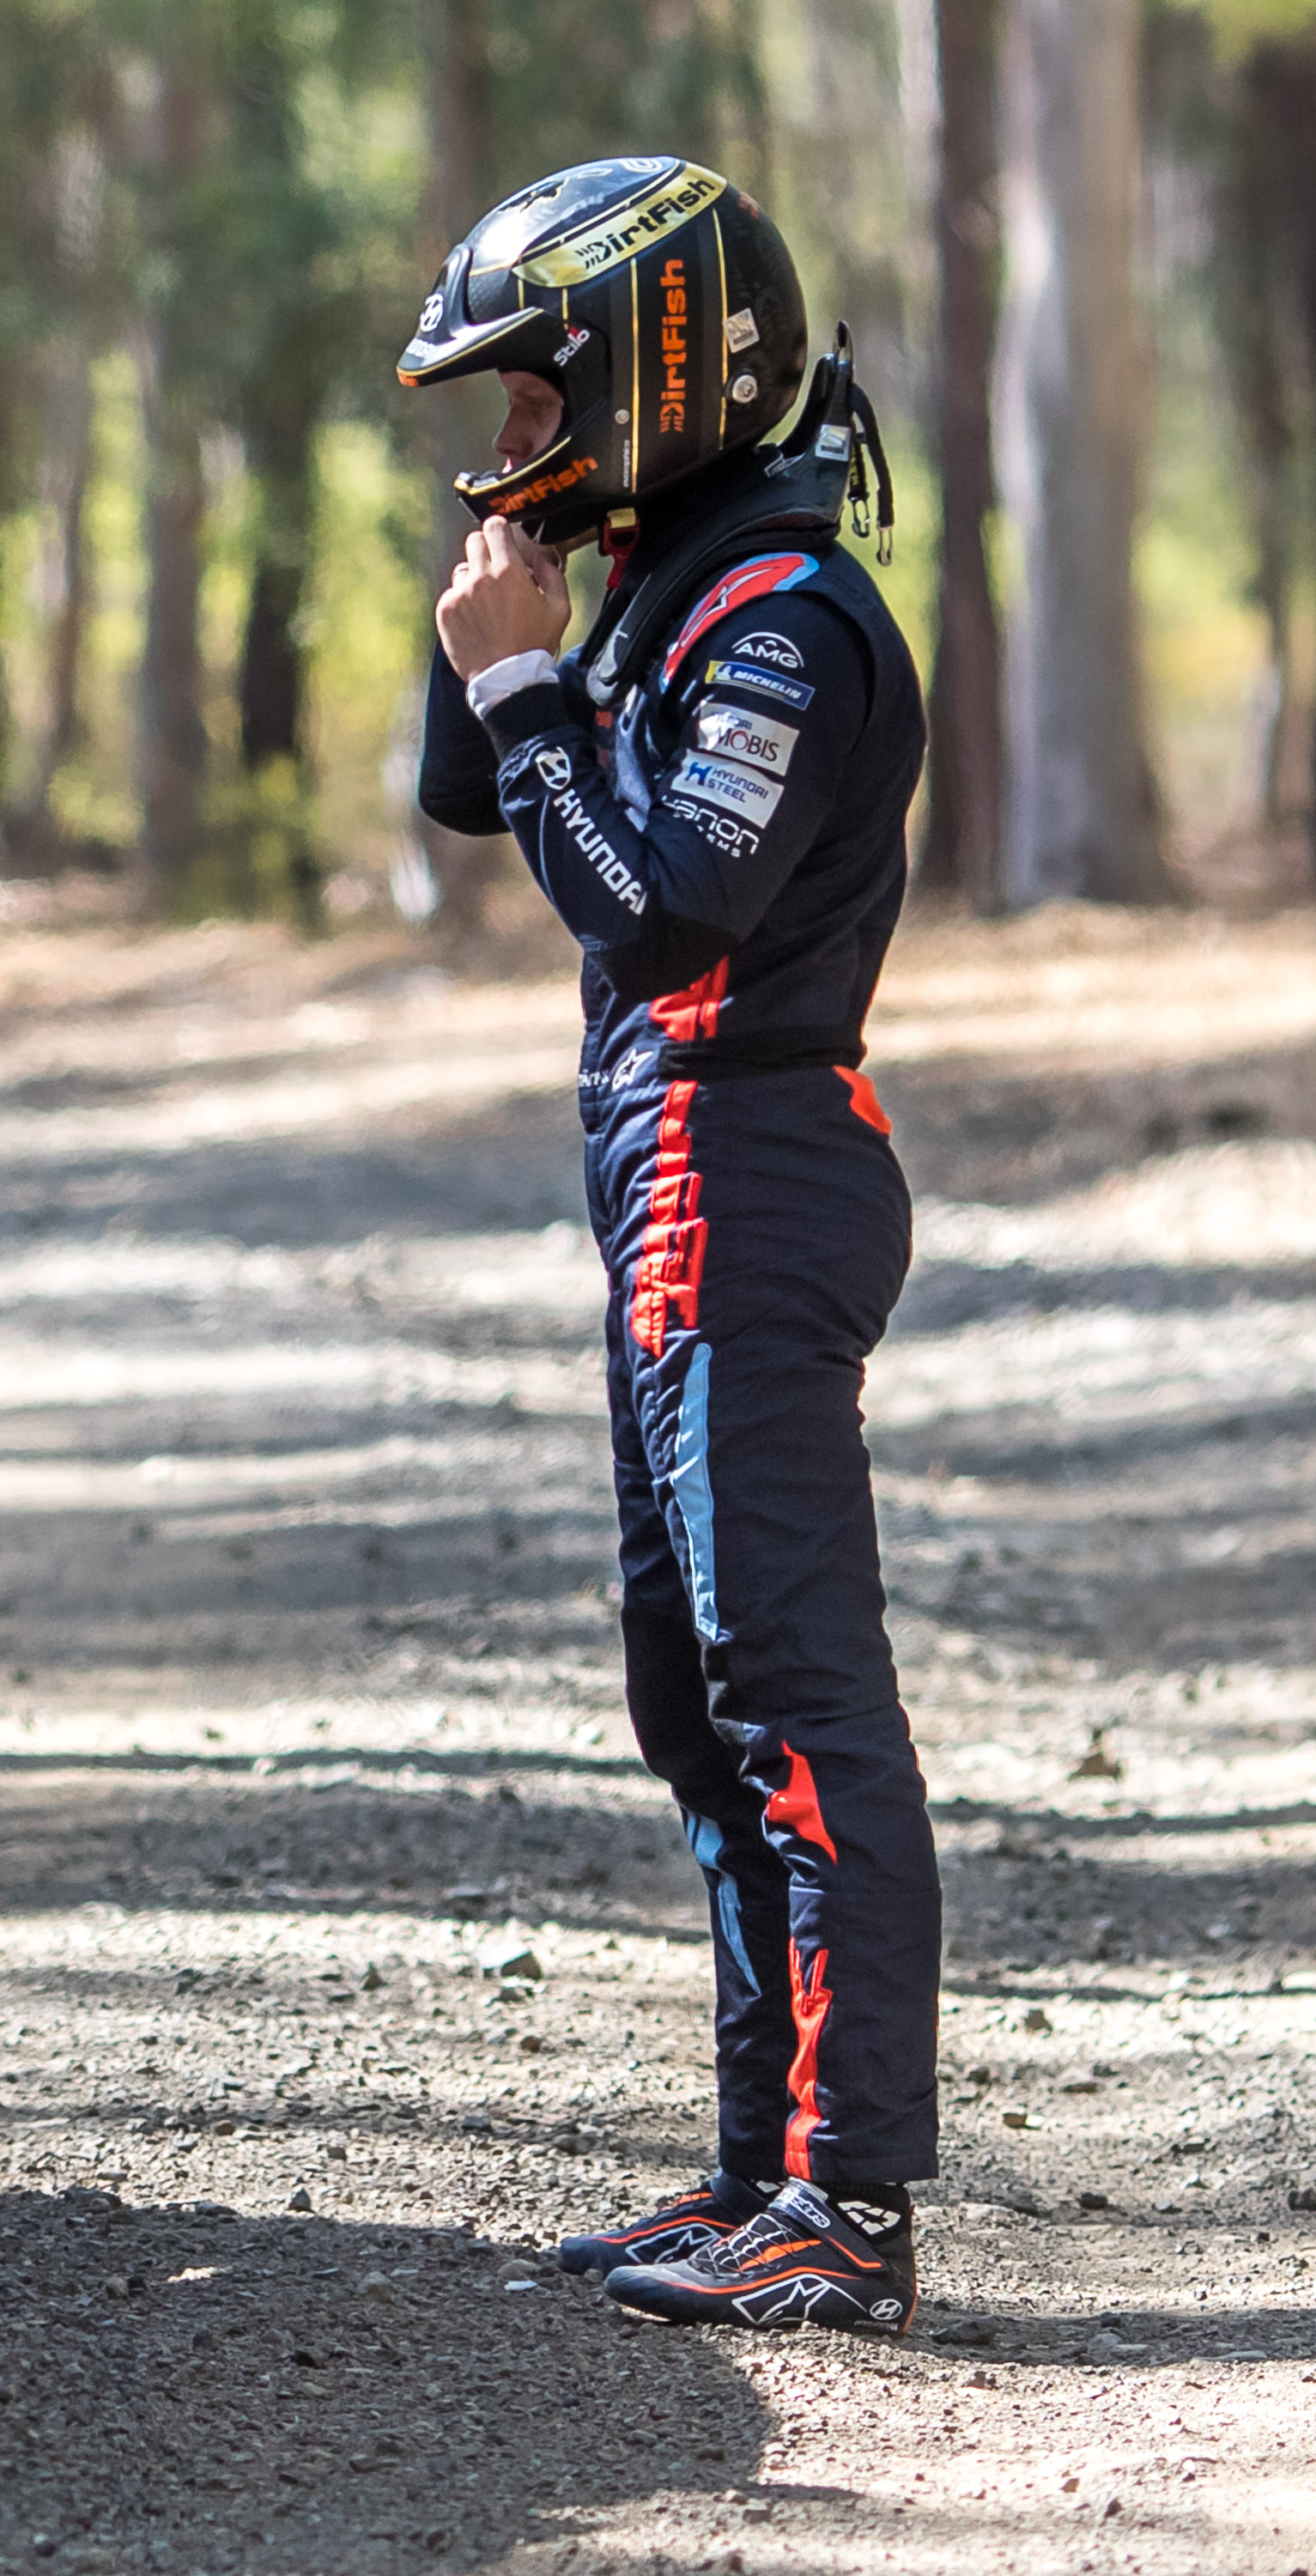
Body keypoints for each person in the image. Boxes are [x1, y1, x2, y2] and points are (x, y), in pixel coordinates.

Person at [401, 155, 937, 2335]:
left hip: (755, 1164)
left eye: (533, 400)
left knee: (795, 1703)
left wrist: (536, 693)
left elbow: (666, 915)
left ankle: (851, 2207)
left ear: (654, 374)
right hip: (667, 1174)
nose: (502, 442)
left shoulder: (785, 621)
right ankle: (757, 2174)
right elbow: (469, 798)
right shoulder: (669, 582)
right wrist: (499, 617)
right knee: (696, 1707)